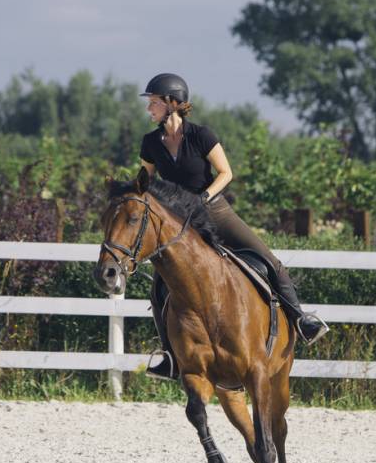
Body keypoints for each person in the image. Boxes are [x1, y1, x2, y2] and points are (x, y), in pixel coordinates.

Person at [137, 72, 329, 380]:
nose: (149, 109)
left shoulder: (201, 135)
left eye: (154, 103)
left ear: (172, 104)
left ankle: (301, 319)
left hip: (213, 211)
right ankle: (170, 357)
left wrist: (203, 198)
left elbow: (226, 173)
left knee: (269, 260)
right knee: (158, 289)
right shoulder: (150, 143)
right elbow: (144, 179)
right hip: (179, 224)